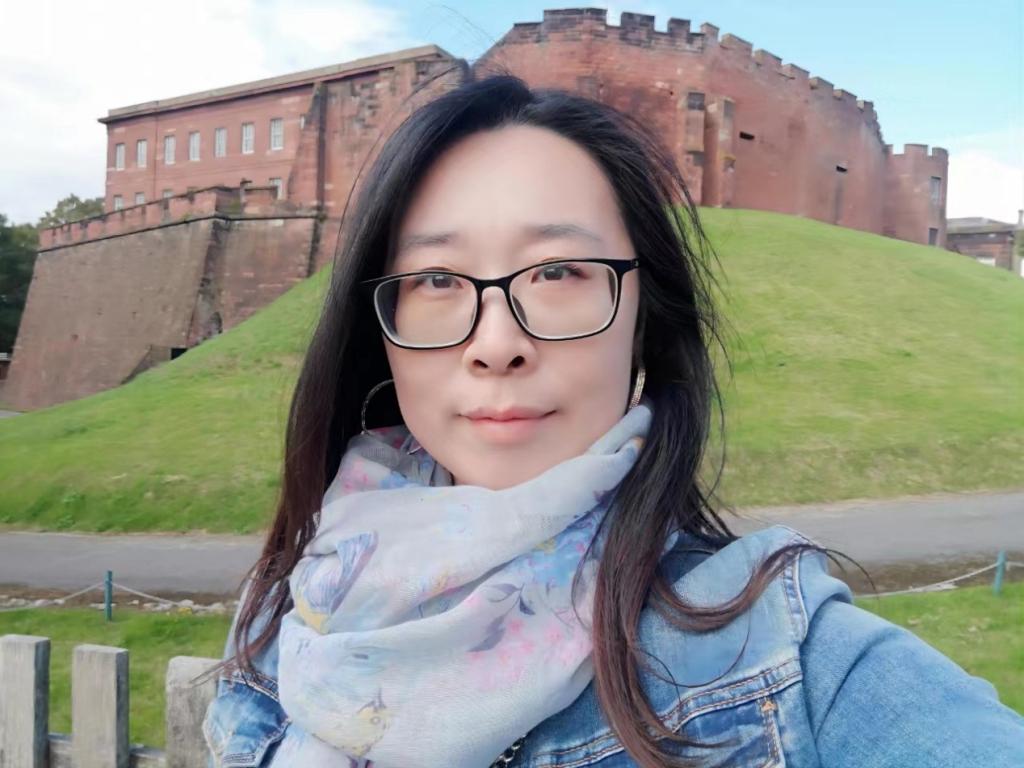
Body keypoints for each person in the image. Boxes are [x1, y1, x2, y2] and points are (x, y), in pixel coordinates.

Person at [200, 72, 1024, 768]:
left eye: (559, 270)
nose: (497, 344)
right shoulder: (289, 618)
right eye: (438, 280)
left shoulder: (798, 664)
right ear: (380, 329)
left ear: (644, 317)